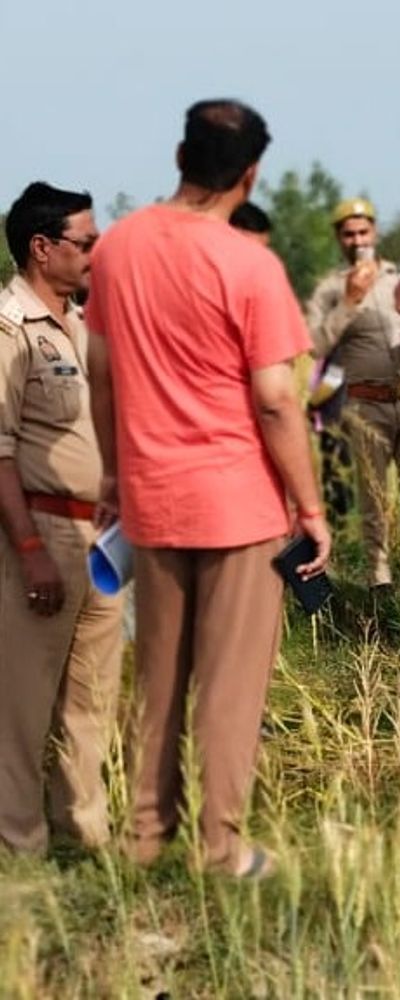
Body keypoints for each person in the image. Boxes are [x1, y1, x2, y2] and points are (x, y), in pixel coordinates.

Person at [85, 99, 331, 876]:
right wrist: (311, 508)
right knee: (229, 686)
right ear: (250, 175)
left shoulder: (117, 248)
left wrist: (114, 471)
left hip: (150, 497)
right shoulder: (251, 266)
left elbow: (100, 373)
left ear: (179, 156)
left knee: (158, 678)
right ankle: (219, 848)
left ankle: (144, 836)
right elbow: (276, 399)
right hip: (239, 504)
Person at [0, 182, 123, 854]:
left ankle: (84, 836)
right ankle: (17, 846)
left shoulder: (84, 325)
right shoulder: (10, 329)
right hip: (41, 532)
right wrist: (28, 549)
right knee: (22, 704)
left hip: (101, 539)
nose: (95, 252)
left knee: (91, 700)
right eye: (86, 242)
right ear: (41, 248)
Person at [307, 198, 400, 591]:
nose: (357, 240)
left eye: (363, 232)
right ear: (338, 238)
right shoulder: (331, 289)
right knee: (374, 499)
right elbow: (316, 345)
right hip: (365, 405)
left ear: (374, 232)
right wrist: (349, 301)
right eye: (349, 234)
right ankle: (379, 579)